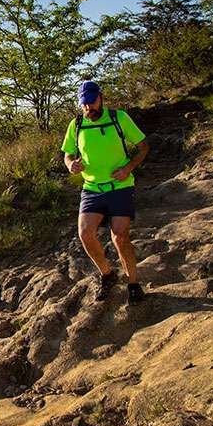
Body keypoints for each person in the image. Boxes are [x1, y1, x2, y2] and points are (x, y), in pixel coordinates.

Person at [61, 81, 149, 304]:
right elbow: (67, 154)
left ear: (101, 97)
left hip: (120, 187)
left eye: (92, 102)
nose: (88, 108)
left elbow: (143, 146)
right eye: (84, 104)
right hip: (92, 189)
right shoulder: (77, 124)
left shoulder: (119, 118)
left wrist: (128, 168)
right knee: (85, 234)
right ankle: (108, 274)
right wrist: (71, 164)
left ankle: (133, 284)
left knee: (119, 236)